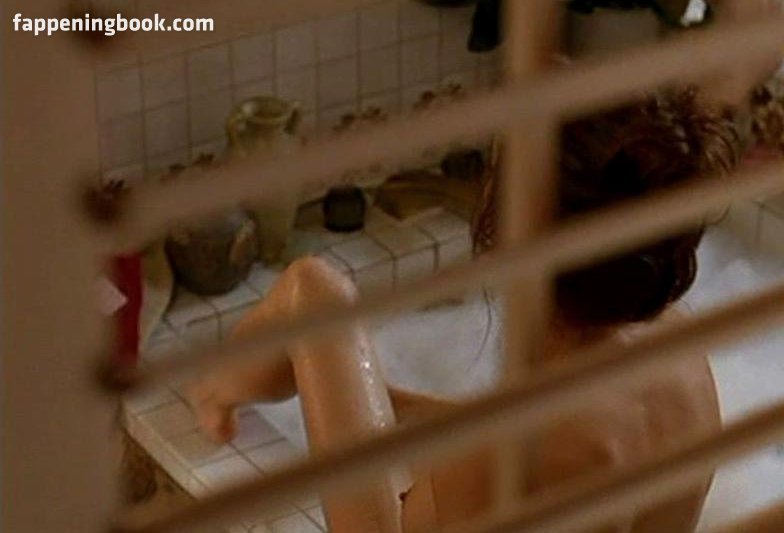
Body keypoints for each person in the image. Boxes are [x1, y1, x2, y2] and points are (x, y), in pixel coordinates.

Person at [187, 87, 739, 532]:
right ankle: (222, 389)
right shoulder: (683, 358)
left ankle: (216, 390)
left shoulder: (521, 447)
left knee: (314, 292)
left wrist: (319, 342)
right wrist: (357, 392)